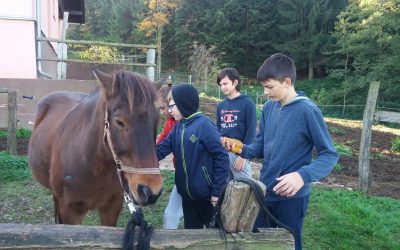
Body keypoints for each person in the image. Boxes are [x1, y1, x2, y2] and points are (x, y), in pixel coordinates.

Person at [221, 53, 339, 250]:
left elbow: (329, 155)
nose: (265, 92)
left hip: (292, 197)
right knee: (261, 243)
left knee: (288, 245)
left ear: (287, 81)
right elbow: (260, 147)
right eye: (263, 87)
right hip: (265, 191)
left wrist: (302, 176)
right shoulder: (269, 108)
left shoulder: (307, 110)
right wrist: (240, 147)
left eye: (269, 87)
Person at [156, 83, 229, 229]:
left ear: (183, 103)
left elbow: (222, 158)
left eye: (172, 106)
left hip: (207, 197)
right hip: (187, 197)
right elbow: (159, 151)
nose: (169, 111)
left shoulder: (204, 125)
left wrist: (217, 192)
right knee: (192, 234)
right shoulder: (178, 128)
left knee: (213, 236)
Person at [216, 68, 256, 180]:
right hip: (223, 153)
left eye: (225, 83)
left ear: (235, 82)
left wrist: (244, 156)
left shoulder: (248, 103)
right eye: (220, 84)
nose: (222, 87)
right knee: (225, 188)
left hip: (239, 152)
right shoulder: (221, 106)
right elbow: (218, 130)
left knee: (243, 188)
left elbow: (251, 131)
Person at [155, 81, 183, 229]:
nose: (162, 112)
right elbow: (162, 143)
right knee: (170, 215)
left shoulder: (194, 124)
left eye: (163, 108)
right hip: (182, 176)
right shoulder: (170, 122)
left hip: (198, 180)